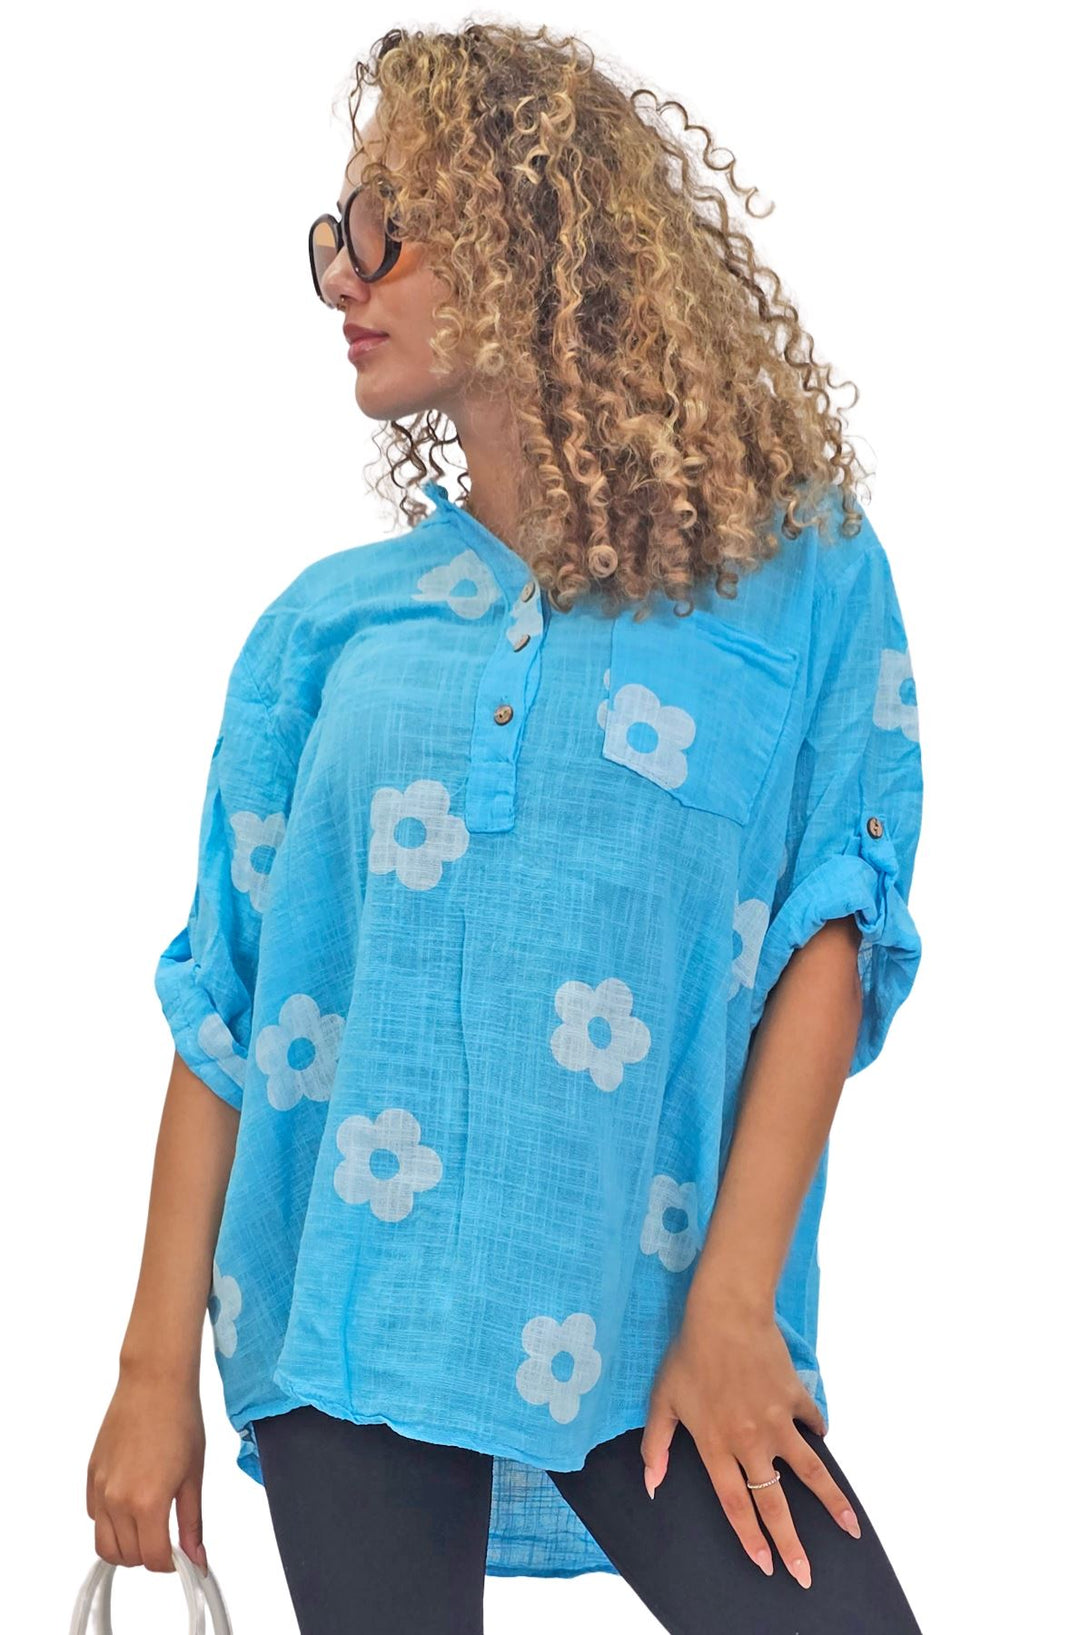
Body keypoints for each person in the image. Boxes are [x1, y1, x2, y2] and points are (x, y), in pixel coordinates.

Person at [85, 22, 926, 1635]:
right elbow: (226, 1005)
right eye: (333, 239)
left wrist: (735, 1304)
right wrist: (146, 1378)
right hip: (347, 1321)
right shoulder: (325, 631)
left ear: (532, 231)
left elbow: (838, 921)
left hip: (656, 1304)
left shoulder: (799, 573)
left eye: (386, 230)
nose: (342, 278)